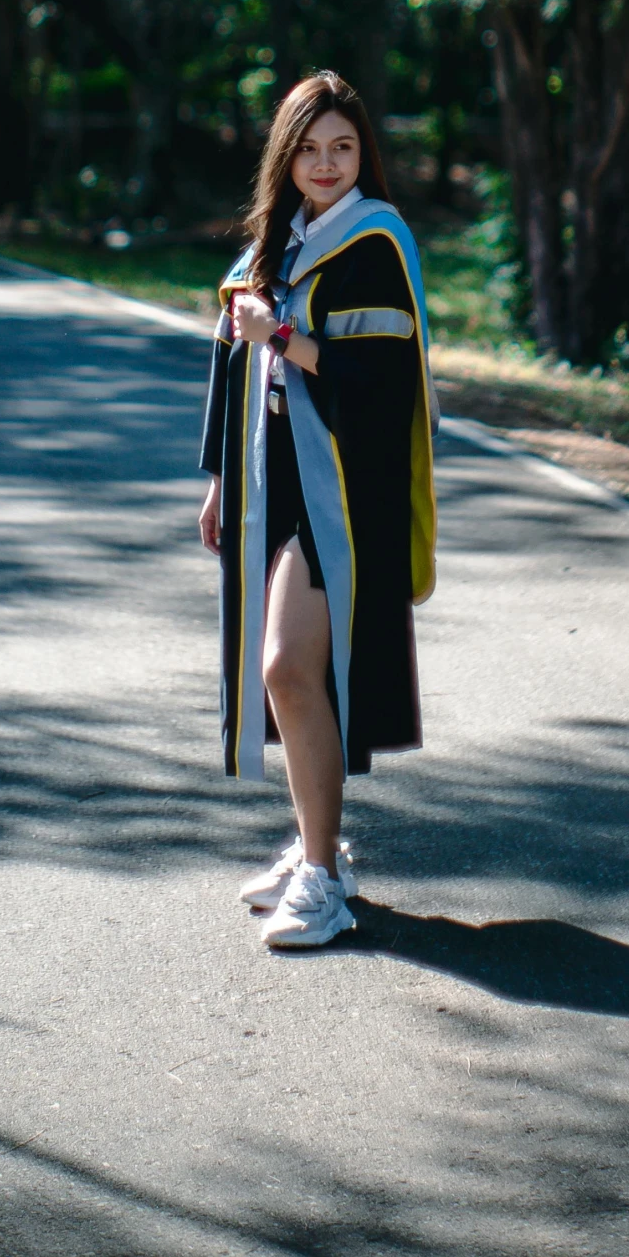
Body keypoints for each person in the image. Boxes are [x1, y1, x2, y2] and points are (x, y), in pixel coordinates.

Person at [197, 70, 437, 949]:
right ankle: (314, 847)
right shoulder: (278, 239)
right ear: (286, 155)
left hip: (341, 485)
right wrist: (220, 478)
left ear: (361, 152)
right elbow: (234, 364)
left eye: (342, 146)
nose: (326, 162)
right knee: (289, 675)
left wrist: (284, 336)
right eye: (309, 146)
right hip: (272, 480)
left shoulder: (374, 241)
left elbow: (378, 382)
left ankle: (325, 876)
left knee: (288, 668)